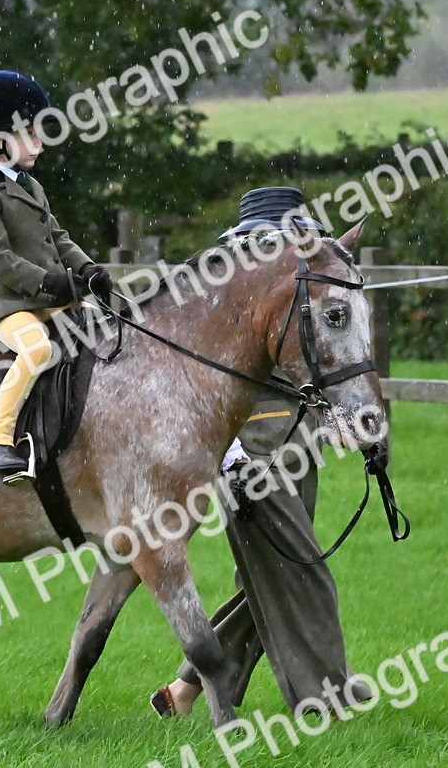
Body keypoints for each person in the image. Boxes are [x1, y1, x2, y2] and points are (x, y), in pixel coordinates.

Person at [149, 187, 372, 718]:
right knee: (300, 569)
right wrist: (227, 458)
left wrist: (336, 414)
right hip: (251, 452)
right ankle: (325, 696)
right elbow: (199, 386)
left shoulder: (298, 284)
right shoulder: (219, 296)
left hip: (299, 436)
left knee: (271, 574)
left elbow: (317, 358)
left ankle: (186, 691)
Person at [0, 70, 112, 481]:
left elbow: (59, 238)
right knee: (37, 349)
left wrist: (87, 268)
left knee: (105, 330)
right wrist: (47, 282)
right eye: (31, 134)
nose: (40, 142)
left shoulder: (32, 188)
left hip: (48, 300)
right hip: (6, 307)